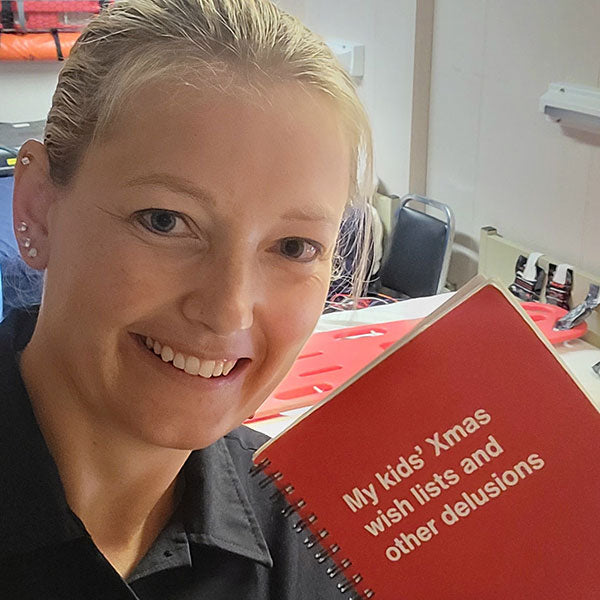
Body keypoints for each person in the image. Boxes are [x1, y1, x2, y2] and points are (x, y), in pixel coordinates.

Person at [0, 0, 374, 597]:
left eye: (294, 246)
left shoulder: (317, 538)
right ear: (38, 210)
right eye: (165, 220)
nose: (228, 308)